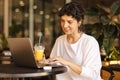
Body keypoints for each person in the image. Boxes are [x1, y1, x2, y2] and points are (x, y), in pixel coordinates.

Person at [48, 2, 102, 80]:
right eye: (62, 21)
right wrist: (45, 62)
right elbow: (53, 64)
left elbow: (92, 74)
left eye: (69, 22)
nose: (65, 25)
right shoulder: (60, 40)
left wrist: (67, 62)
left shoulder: (89, 42)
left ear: (79, 22)